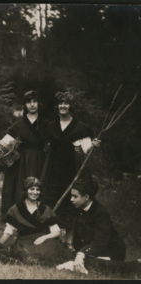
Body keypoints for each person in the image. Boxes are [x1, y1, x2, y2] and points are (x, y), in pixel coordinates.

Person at [42, 92, 100, 248]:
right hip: (52, 172)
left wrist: (92, 146)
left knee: (70, 204)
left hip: (72, 172)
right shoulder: (50, 126)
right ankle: (54, 238)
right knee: (52, 202)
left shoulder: (81, 127)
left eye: (66, 103)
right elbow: (46, 147)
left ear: (71, 106)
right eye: (60, 103)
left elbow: (86, 149)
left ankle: (68, 241)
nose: (63, 106)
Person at [0, 91, 48, 218]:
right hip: (21, 162)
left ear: (39, 104)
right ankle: (18, 218)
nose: (32, 104)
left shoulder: (46, 125)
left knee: (38, 186)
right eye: (28, 102)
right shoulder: (19, 125)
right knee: (19, 187)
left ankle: (38, 216)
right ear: (25, 105)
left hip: (39, 161)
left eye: (34, 101)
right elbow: (4, 142)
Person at [65, 178, 141, 275]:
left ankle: (135, 264)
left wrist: (81, 253)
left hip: (110, 250)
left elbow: (101, 240)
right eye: (71, 196)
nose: (71, 199)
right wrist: (77, 252)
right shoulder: (81, 209)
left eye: (75, 196)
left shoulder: (100, 213)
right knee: (71, 259)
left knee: (90, 265)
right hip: (94, 250)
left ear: (86, 197)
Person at [0, 177, 63, 262]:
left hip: (42, 240)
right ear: (26, 190)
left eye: (38, 189)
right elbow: (8, 233)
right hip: (24, 241)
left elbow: (57, 232)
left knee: (47, 252)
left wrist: (44, 237)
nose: (35, 192)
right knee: (25, 253)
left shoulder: (45, 208)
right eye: (32, 189)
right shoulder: (16, 209)